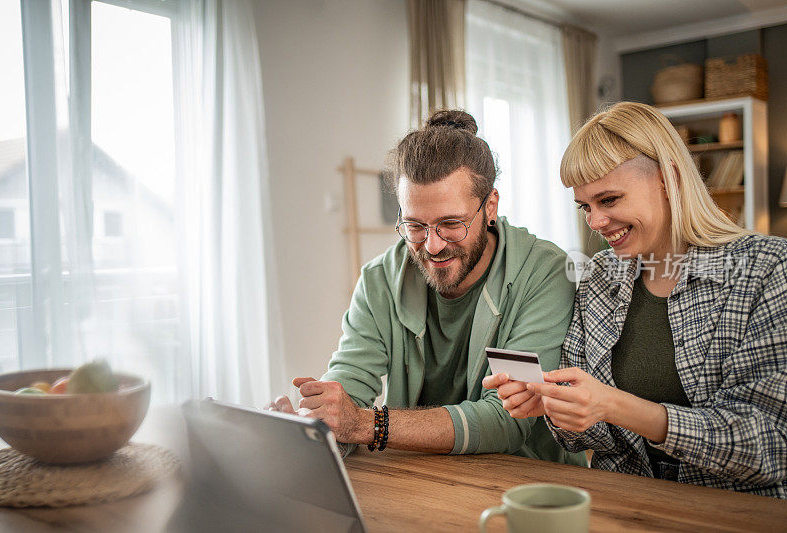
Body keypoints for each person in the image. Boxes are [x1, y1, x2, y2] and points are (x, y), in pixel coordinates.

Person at [484, 101, 787, 498]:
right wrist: (556, 406)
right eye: (585, 206)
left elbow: (770, 448)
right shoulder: (598, 278)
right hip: (624, 507)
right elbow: (585, 442)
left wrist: (614, 405)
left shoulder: (767, 270)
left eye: (609, 200)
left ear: (668, 179)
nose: (594, 222)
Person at [268, 110, 585, 465]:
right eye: (415, 226)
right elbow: (350, 386)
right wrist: (316, 427)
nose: (432, 246)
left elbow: (508, 420)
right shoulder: (379, 280)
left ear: (490, 206)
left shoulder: (544, 272)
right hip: (417, 478)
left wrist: (369, 425)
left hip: (526, 484)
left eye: (451, 224)